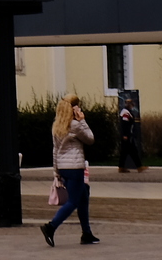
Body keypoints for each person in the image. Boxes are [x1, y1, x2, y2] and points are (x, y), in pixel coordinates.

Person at [40, 94, 97, 247]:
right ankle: (51, 227)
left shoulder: (57, 125)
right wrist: (82, 120)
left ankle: (86, 233)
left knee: (83, 196)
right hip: (75, 167)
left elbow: (55, 150)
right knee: (73, 201)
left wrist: (56, 172)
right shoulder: (75, 125)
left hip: (63, 167)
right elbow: (90, 139)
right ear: (73, 108)